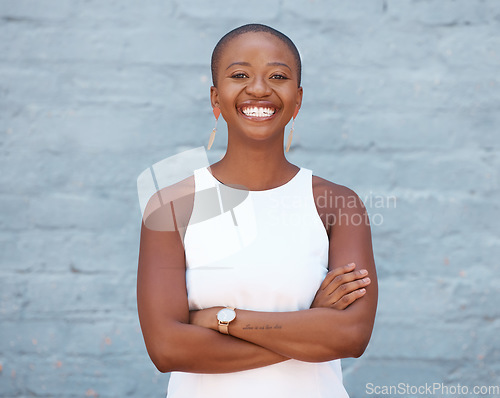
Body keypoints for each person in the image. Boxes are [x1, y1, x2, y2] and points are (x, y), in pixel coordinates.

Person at [137, 23, 378, 398]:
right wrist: (308, 329)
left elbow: (350, 336)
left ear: (297, 100)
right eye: (240, 75)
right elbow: (167, 349)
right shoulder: (171, 206)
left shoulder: (338, 204)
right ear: (215, 99)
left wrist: (219, 320)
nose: (259, 88)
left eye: (277, 76)